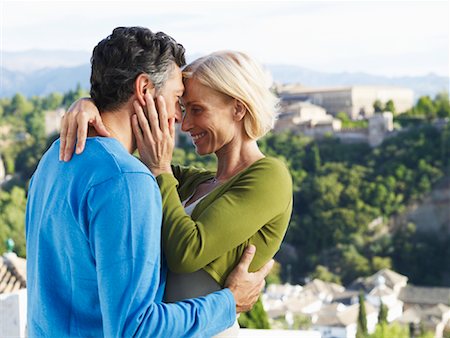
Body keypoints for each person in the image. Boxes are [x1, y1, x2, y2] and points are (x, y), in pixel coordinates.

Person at [26, 26, 272, 338]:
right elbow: (136, 329)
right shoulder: (127, 180)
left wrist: (88, 103)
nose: (177, 119)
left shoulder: (54, 158)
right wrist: (228, 303)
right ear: (144, 89)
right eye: (177, 99)